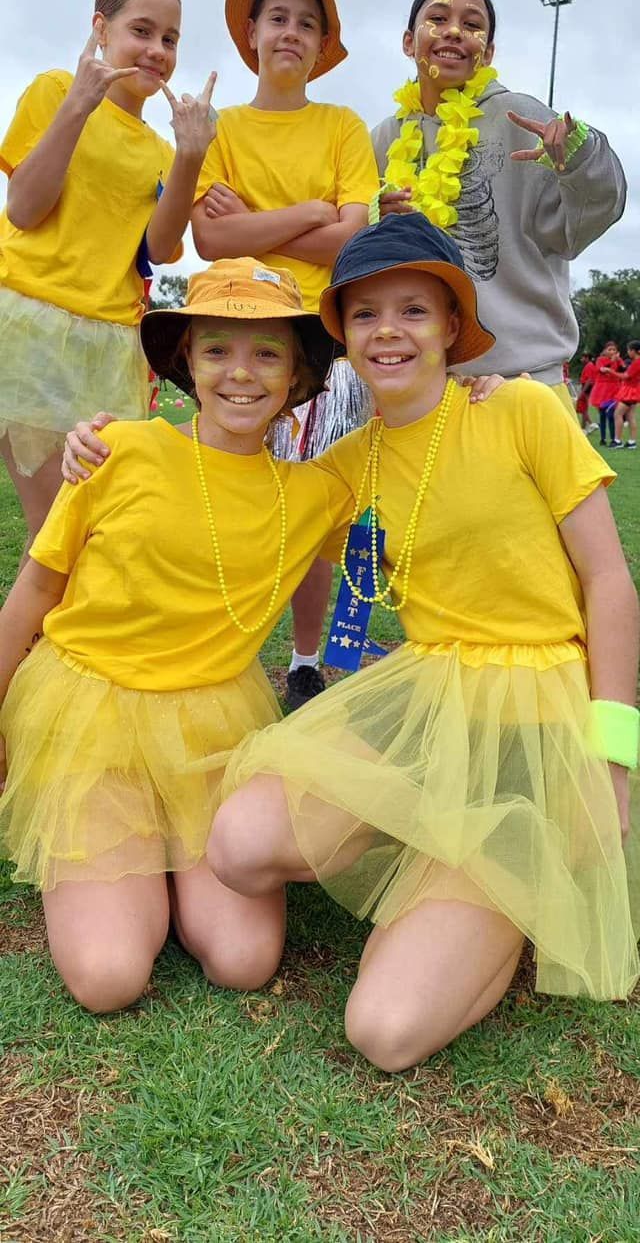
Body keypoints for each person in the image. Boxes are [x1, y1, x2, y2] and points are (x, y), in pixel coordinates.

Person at [209, 212, 640, 1073]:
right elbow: (228, 487)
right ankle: (429, 835)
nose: (389, 331)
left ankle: (508, 887)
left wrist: (613, 762)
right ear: (342, 336)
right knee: (239, 846)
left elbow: (610, 583)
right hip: (426, 698)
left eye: (413, 310)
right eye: (365, 314)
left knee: (385, 1031)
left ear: (451, 325)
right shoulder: (348, 464)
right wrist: (108, 447)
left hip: (537, 719)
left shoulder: (521, 408)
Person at [0, 258, 353, 1012]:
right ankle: (123, 864)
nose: (241, 373)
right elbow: (34, 590)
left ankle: (162, 858)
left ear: (297, 374)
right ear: (187, 360)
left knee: (244, 960)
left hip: (211, 728)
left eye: (267, 353)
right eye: (217, 348)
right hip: (91, 718)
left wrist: (478, 390)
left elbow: (426, 477)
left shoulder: (317, 494)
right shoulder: (116, 450)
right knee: (109, 976)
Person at [190, 0, 379, 710]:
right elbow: (209, 240)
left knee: (332, 505)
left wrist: (256, 223)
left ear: (323, 42)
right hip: (239, 335)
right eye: (278, 18)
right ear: (251, 32)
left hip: (324, 342)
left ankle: (313, 659)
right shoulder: (224, 130)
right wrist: (308, 213)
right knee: (230, 500)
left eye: (307, 22)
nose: (291, 33)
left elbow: (354, 238)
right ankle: (216, 643)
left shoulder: (342, 127)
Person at [0, 0, 216, 560]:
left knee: (93, 526)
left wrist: (190, 157)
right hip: (32, 328)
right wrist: (78, 104)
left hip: (111, 345)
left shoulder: (161, 148)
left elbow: (160, 250)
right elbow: (24, 208)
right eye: (141, 31)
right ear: (101, 28)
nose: (157, 50)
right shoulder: (54, 90)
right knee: (56, 528)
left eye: (170, 39)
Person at [370, 0, 626, 404]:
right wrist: (373, 216)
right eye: (438, 18)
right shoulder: (383, 139)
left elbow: (589, 217)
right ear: (409, 42)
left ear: (487, 52)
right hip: (416, 394)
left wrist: (581, 157)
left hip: (523, 386)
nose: (454, 31)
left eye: (471, 24)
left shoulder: (521, 117)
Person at [590, 341, 626, 446]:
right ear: (605, 351)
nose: (612, 352)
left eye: (614, 350)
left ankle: (613, 438)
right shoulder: (600, 360)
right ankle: (603, 438)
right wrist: (611, 361)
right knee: (602, 414)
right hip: (602, 390)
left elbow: (624, 370)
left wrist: (620, 361)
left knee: (612, 414)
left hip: (615, 389)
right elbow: (602, 370)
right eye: (609, 349)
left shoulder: (618, 360)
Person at [612, 340, 640, 449]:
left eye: (629, 350)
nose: (628, 352)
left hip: (630, 392)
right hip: (634, 391)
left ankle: (617, 440)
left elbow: (625, 376)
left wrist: (610, 371)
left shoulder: (637, 362)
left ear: (634, 351)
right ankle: (632, 441)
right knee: (630, 416)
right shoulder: (636, 362)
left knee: (617, 414)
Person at [575, 352, 598, 432]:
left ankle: (586, 427)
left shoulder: (589, 366)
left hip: (587, 388)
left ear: (587, 358)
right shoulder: (589, 365)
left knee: (584, 408)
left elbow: (589, 380)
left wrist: (583, 391)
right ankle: (586, 426)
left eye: (583, 358)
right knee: (583, 408)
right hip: (587, 387)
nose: (581, 359)